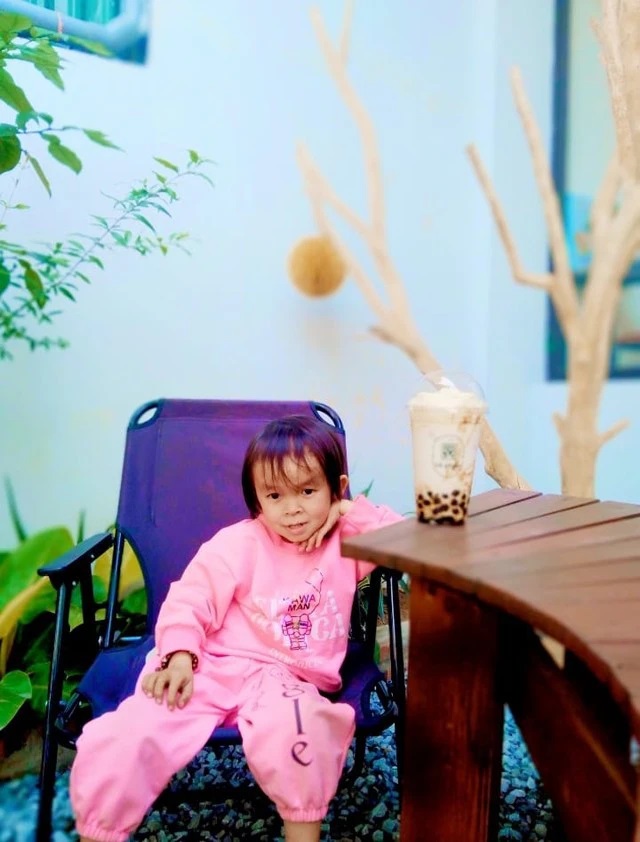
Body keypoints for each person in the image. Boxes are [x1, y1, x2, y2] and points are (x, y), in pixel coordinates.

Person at [70, 414, 404, 842]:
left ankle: (302, 832)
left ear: (335, 487)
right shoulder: (238, 543)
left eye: (308, 491)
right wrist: (179, 656)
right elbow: (191, 597)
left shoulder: (346, 542)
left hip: (286, 679)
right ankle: (99, 831)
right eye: (275, 495)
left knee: (303, 735)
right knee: (130, 735)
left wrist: (346, 510)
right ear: (257, 500)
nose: (293, 508)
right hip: (212, 664)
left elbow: (407, 540)